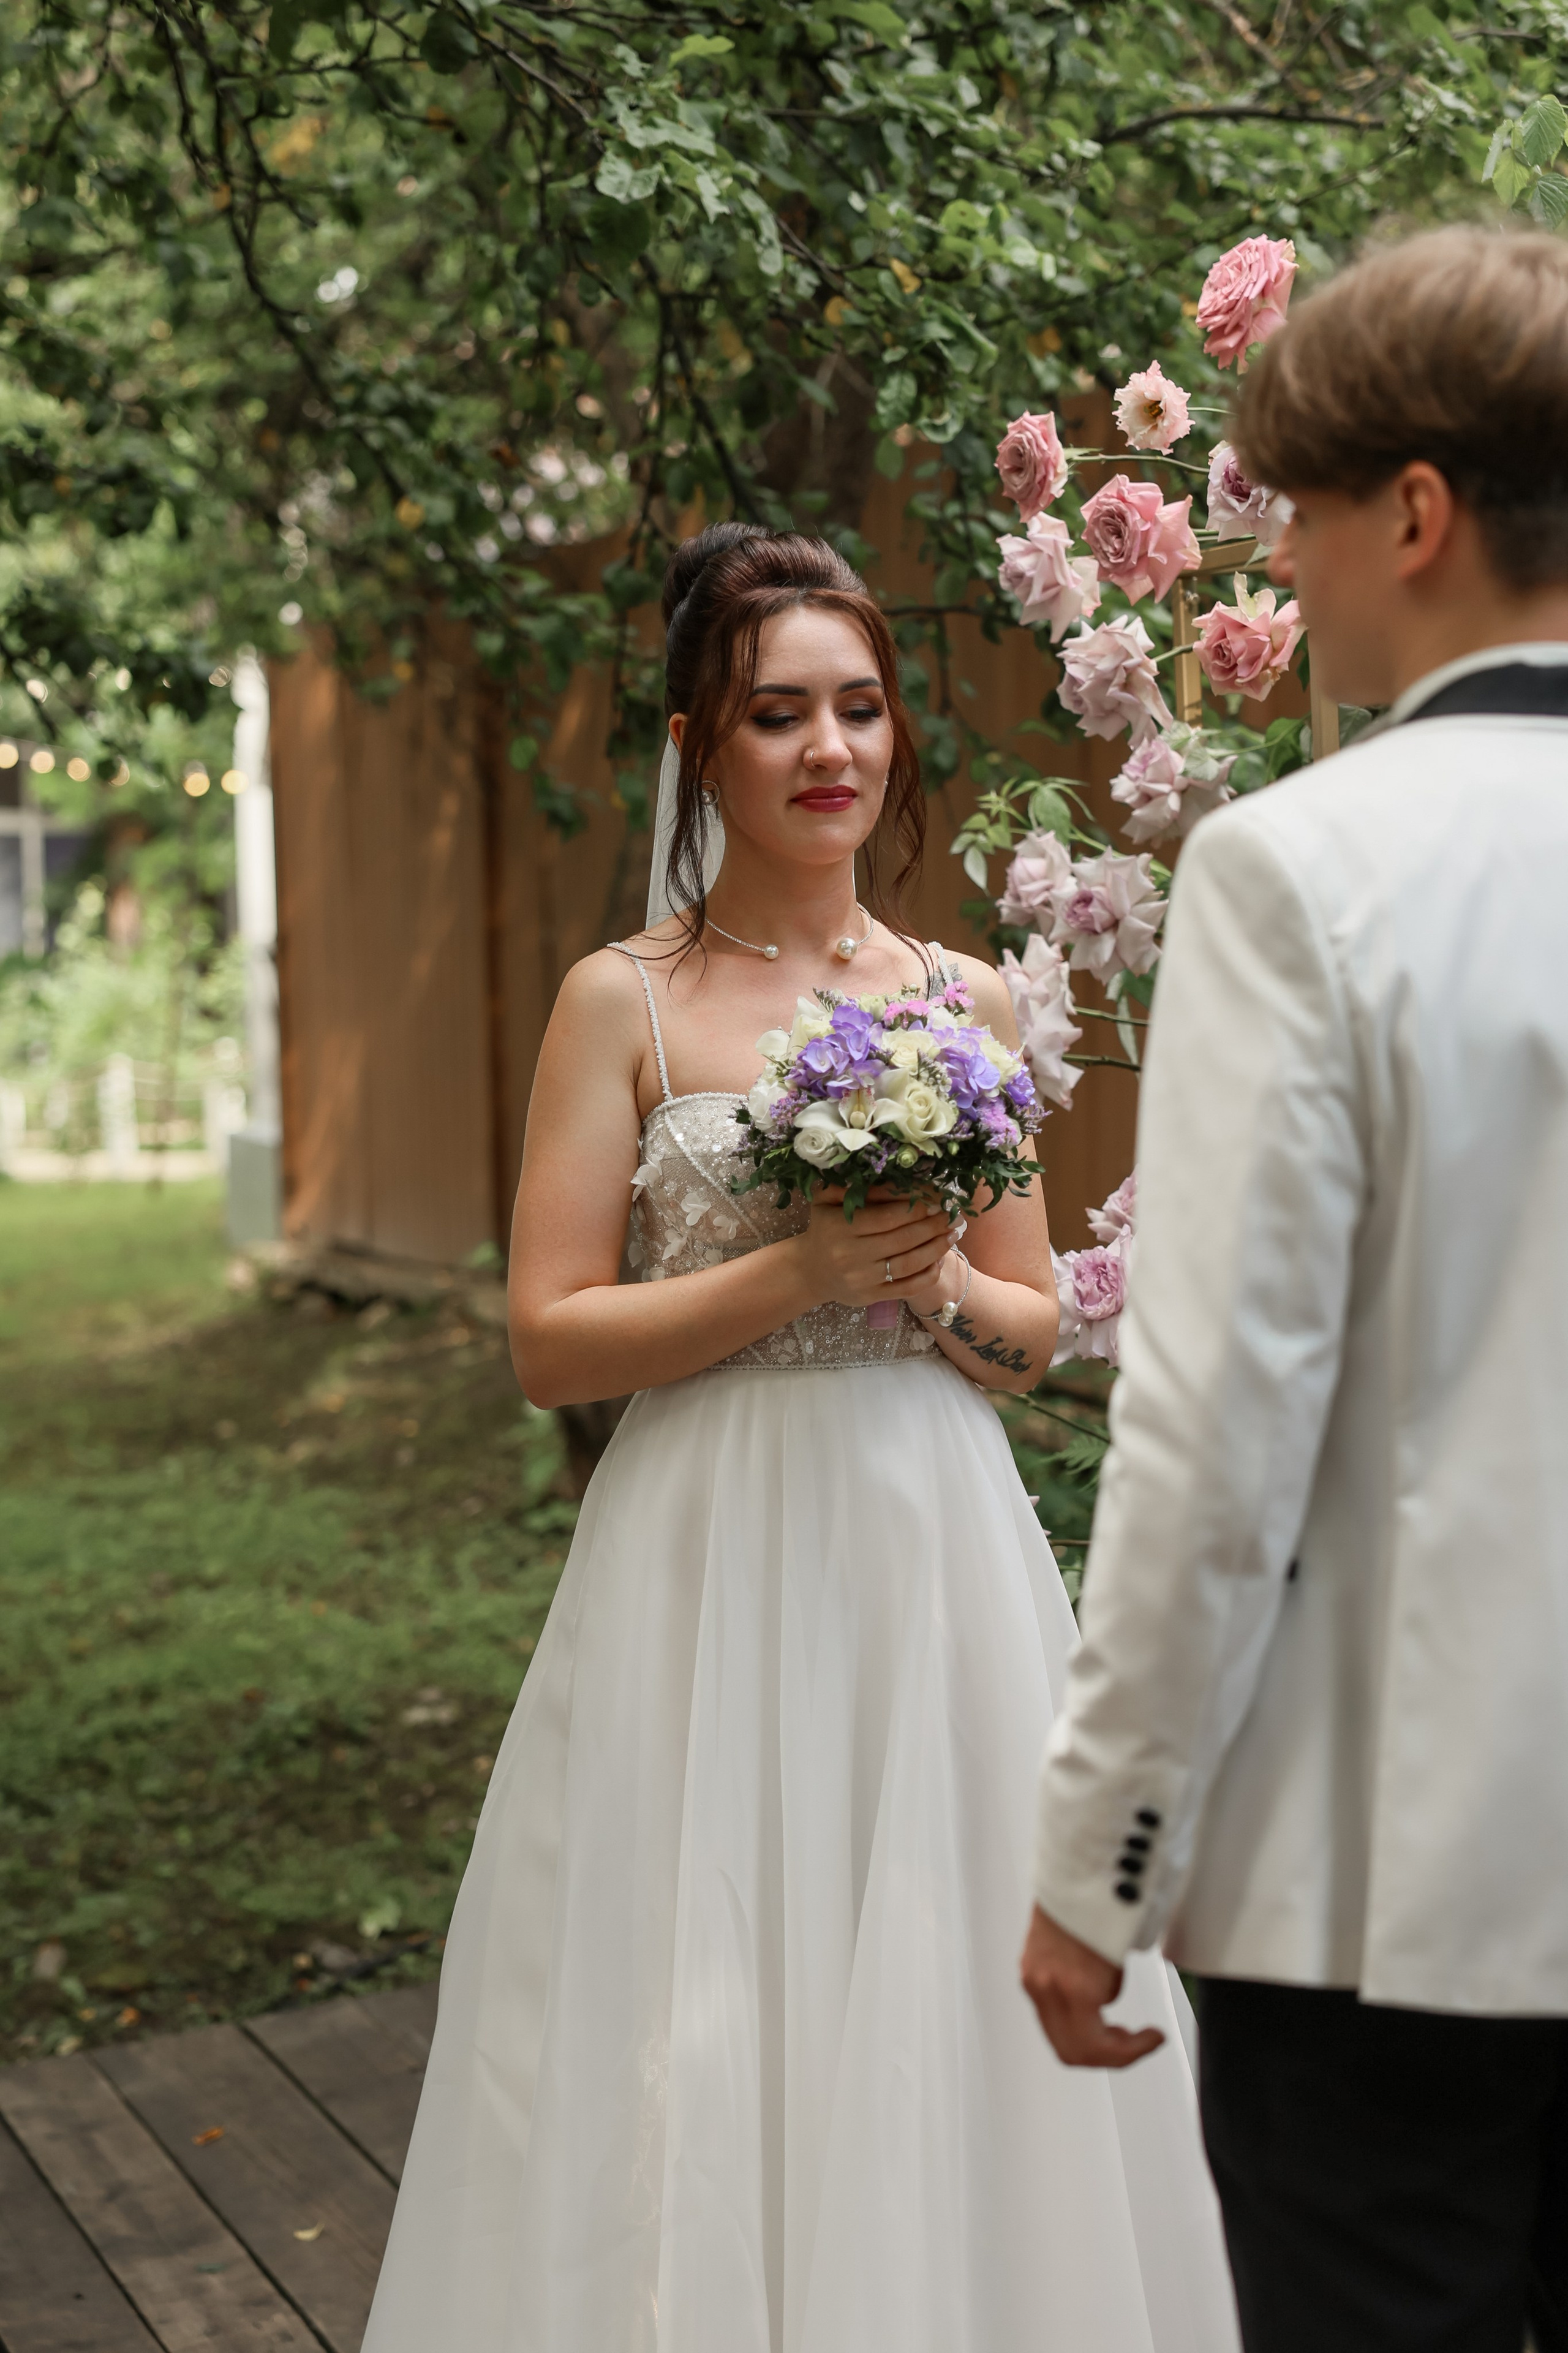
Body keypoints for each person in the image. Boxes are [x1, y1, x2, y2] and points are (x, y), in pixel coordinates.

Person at [362, 524, 1239, 2351]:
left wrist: (928, 1294)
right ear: (701, 743)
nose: (829, 747)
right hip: (702, 1538)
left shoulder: (964, 996)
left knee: (930, 1949)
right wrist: (798, 1270)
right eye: (779, 714)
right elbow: (549, 1335)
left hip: (932, 1545)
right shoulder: (629, 999)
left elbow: (1025, 1323)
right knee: (692, 1970)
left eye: (859, 708)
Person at [1020, 224, 1568, 2353]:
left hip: (1382, 1896)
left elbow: (1215, 1432)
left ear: (1416, 514)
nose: (1292, 577)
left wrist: (1102, 1856)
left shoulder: (1302, 870)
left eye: (1305, 519)